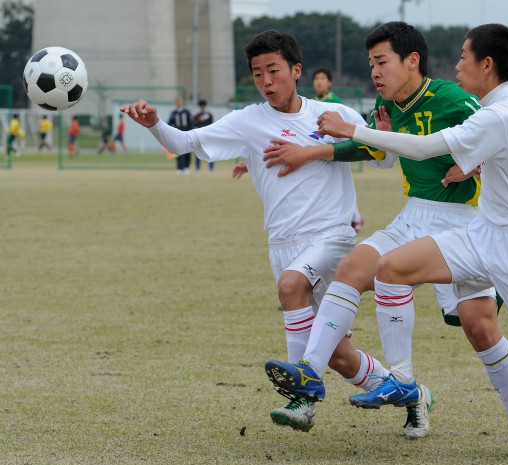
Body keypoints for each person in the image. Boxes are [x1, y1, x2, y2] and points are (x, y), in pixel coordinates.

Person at [312, 23, 508, 465]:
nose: (456, 65)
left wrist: (352, 130)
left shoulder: (500, 114)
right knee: (390, 268)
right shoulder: (501, 106)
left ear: (487, 65)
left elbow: (426, 147)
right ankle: (402, 379)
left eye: (463, 57)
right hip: (483, 233)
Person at [263, 21, 508, 456]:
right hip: (414, 214)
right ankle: (308, 380)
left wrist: (476, 165)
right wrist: (326, 149)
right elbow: (381, 153)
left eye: (382, 62)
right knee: (353, 266)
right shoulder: (385, 102)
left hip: (463, 223)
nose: (375, 72)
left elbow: (507, 139)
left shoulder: (453, 97)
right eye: (371, 63)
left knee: (479, 327)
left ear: (411, 60)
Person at [120, 30, 397, 434]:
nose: (266, 81)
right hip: (282, 245)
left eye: (273, 70)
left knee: (290, 286)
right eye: (257, 73)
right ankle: (410, 393)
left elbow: (385, 160)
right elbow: (184, 142)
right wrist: (154, 124)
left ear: (295, 70)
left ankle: (302, 401)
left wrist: (382, 136)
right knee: (339, 356)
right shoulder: (248, 121)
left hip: (332, 237)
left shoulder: (332, 116)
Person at [312, 68, 364, 233]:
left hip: (336, 148)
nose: (319, 81)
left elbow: (345, 126)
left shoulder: (335, 102)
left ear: (329, 83)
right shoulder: (311, 103)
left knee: (340, 185)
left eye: (322, 78)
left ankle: (355, 218)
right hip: (321, 149)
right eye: (316, 78)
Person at [167, 96, 194, 175]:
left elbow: (192, 123)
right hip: (177, 135)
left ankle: (186, 167)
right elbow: (169, 123)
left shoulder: (187, 112)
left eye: (179, 101)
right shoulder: (174, 113)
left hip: (187, 134)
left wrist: (191, 133)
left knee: (188, 152)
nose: (178, 102)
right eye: (177, 101)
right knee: (177, 152)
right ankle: (179, 168)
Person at [194, 100, 215, 172]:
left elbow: (212, 124)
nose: (202, 107)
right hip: (199, 135)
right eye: (201, 106)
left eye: (203, 106)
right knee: (198, 151)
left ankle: (211, 168)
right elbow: (194, 124)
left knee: (210, 151)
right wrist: (199, 120)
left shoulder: (209, 115)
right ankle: (197, 168)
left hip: (208, 135)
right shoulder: (197, 115)